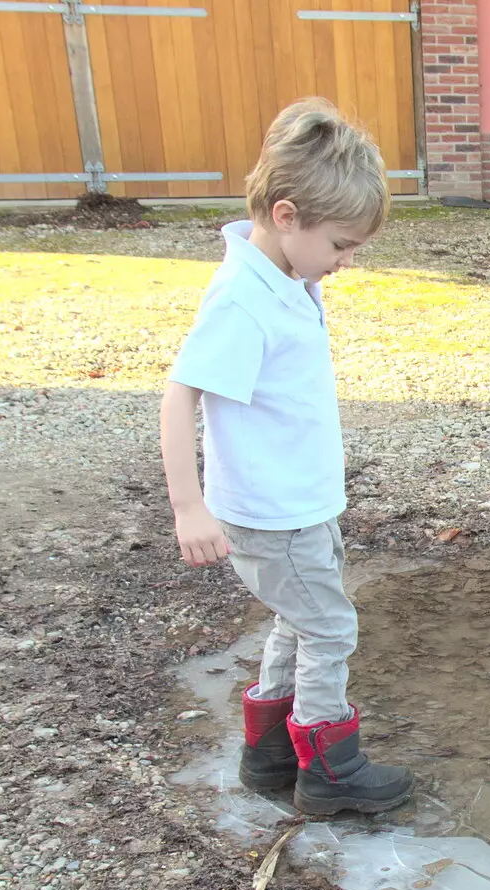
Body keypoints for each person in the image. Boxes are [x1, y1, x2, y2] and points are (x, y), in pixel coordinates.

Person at [158, 98, 413, 816]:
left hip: (300, 505)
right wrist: (188, 506)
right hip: (274, 515)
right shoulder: (244, 300)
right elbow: (179, 397)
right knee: (330, 627)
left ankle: (269, 754)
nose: (347, 261)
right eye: (340, 245)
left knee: (298, 622)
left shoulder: (285, 280)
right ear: (287, 215)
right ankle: (330, 768)